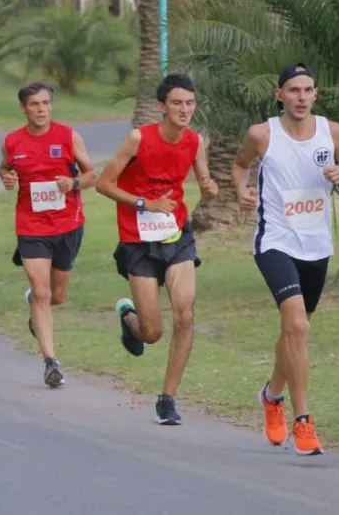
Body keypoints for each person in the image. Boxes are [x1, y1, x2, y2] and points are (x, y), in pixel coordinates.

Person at [232, 63, 339, 455]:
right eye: (293, 90)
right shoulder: (262, 134)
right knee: (295, 325)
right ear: (280, 95)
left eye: (308, 90)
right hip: (275, 240)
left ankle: (271, 395)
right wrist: (241, 190)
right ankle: (303, 421)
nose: (301, 97)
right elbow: (240, 165)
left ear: (316, 95)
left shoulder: (333, 132)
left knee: (297, 331)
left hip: (316, 245)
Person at [95, 74, 219, 425]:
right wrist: (143, 203)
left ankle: (167, 399)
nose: (184, 109)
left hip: (176, 236)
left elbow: (204, 179)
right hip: (138, 241)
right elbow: (103, 184)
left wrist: (209, 188)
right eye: (177, 103)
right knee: (152, 333)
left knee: (185, 315)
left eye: (190, 103)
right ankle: (129, 317)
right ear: (161, 106)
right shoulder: (139, 138)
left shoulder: (194, 141)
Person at [0, 81, 97, 389]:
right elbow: (4, 168)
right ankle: (51, 362)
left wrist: (74, 183)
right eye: (34, 104)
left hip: (68, 224)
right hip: (31, 226)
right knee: (42, 291)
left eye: (45, 103)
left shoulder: (68, 136)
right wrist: (7, 178)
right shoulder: (12, 141)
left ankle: (35, 306)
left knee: (57, 296)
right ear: (23, 108)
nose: (41, 110)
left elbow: (92, 174)